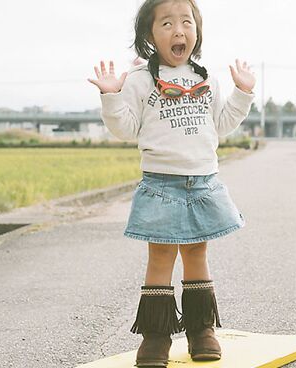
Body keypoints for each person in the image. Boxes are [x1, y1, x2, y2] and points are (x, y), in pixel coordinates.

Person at [87, 0, 255, 365]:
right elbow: (125, 129)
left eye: (186, 23)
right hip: (161, 183)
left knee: (197, 253)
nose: (178, 31)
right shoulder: (140, 79)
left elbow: (221, 126)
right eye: (166, 23)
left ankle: (200, 330)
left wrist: (242, 94)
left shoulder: (206, 76)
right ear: (150, 35)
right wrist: (111, 97)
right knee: (160, 257)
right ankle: (156, 337)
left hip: (203, 182)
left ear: (197, 31)